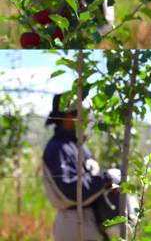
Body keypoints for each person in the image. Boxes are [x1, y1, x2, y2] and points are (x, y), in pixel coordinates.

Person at [42, 93, 112, 241]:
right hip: (73, 224)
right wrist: (106, 178)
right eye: (78, 113)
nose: (84, 118)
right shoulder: (58, 148)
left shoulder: (77, 146)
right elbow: (71, 191)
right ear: (67, 117)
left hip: (89, 221)